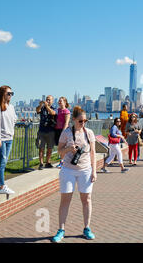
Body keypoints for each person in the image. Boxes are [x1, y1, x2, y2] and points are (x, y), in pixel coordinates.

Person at [52, 106, 97, 242]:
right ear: (73, 120)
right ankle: (61, 230)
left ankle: (87, 228)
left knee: (87, 199)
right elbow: (59, 151)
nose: (83, 123)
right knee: (65, 200)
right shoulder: (66, 132)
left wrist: (94, 171)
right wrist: (68, 149)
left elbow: (93, 153)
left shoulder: (89, 133)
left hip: (85, 170)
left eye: (85, 121)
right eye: (80, 121)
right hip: (68, 170)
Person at [0, 86, 17, 194]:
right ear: (2, 94)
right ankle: (1, 186)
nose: (10, 95)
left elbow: (15, 118)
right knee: (2, 162)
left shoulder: (11, 107)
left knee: (3, 162)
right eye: (8, 93)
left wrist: (10, 128)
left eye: (12, 93)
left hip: (9, 138)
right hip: (1, 139)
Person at [36, 95, 57, 170]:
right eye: (47, 99)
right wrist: (41, 105)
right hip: (42, 130)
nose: (48, 101)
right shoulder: (42, 108)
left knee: (50, 148)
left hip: (51, 131)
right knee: (41, 148)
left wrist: (47, 106)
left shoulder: (54, 108)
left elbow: (53, 113)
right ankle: (41, 163)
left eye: (49, 100)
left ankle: (48, 162)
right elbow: (37, 110)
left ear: (52, 101)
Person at [55, 97, 71, 168]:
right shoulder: (57, 110)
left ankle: (62, 161)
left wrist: (63, 132)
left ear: (65, 102)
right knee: (59, 147)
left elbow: (66, 123)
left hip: (63, 130)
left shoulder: (66, 111)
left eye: (61, 101)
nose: (59, 102)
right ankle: (63, 160)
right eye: (59, 101)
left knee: (63, 147)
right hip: (57, 130)